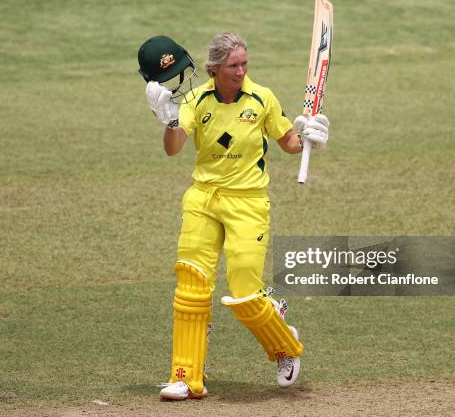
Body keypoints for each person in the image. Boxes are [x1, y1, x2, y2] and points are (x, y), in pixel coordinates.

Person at [137, 33, 329, 401]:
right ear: (213, 69)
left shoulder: (263, 98)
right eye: (232, 66)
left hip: (248, 203)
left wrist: (309, 138)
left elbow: (288, 142)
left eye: (244, 64)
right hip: (203, 200)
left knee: (244, 295)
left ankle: (284, 344)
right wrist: (170, 121)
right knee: (191, 287)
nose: (240, 71)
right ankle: (185, 377)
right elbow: (173, 150)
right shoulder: (196, 99)